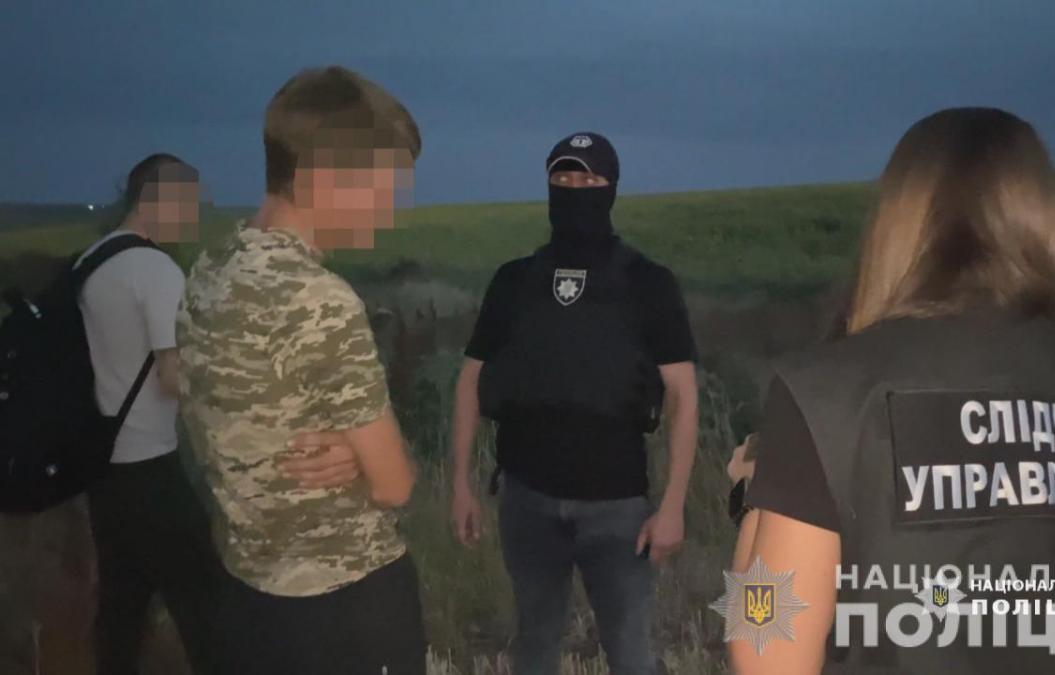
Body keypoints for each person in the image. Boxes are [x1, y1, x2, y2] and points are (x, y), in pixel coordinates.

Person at [731, 107, 1055, 674]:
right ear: (1044, 219)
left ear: (897, 225)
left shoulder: (826, 390)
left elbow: (767, 650)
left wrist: (754, 504)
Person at [176, 65, 426, 675]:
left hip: (248, 591)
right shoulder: (318, 299)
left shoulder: (212, 268)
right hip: (345, 604)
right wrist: (373, 457)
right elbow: (395, 485)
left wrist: (351, 449)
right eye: (382, 188)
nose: (389, 211)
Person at [450, 132, 700, 675]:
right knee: (534, 645)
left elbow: (683, 395)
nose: (574, 188)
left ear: (610, 187)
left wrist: (673, 505)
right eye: (562, 177)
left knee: (630, 652)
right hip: (527, 500)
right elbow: (471, 379)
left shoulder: (648, 283)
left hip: (617, 507)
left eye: (588, 178)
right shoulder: (514, 281)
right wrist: (461, 484)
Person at [76, 153, 223, 674]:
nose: (194, 214)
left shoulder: (92, 261)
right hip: (151, 468)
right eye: (188, 202)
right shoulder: (156, 269)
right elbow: (171, 375)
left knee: (122, 607)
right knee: (207, 605)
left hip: (103, 468)